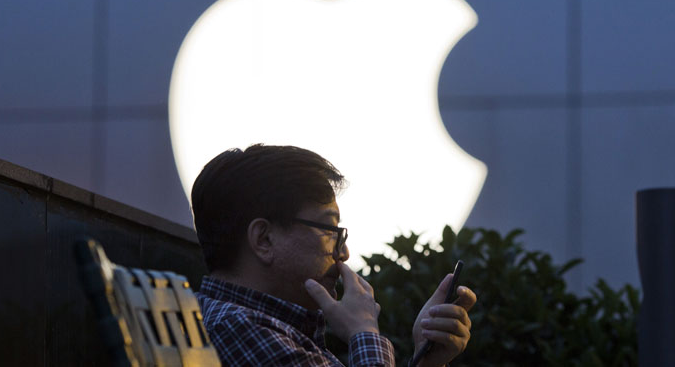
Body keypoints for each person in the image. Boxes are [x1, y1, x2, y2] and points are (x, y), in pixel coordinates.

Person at [192, 144, 476, 366]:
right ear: (264, 239)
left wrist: (426, 361)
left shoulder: (264, 327)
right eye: (329, 230)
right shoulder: (241, 329)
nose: (343, 253)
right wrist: (363, 331)